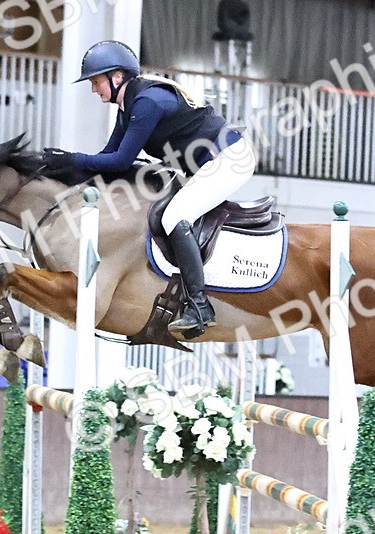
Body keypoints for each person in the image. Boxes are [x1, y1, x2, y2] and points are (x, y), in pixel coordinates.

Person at [41, 40, 256, 338]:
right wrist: (62, 168)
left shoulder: (147, 103)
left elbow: (120, 161)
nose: (94, 90)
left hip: (230, 159)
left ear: (117, 77)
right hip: (204, 165)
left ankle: (200, 306)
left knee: (173, 217)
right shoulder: (128, 108)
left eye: (96, 82)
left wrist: (71, 159)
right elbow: (107, 160)